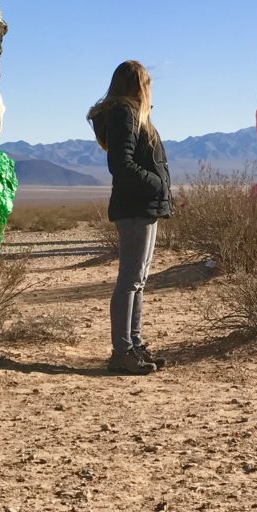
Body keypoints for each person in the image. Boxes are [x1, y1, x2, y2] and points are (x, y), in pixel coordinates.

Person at [87, 60, 172, 376]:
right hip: (135, 206)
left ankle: (133, 345)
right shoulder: (125, 114)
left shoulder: (134, 115)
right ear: (137, 85)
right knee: (130, 280)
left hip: (143, 206)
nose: (150, 90)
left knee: (139, 279)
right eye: (147, 83)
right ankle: (121, 352)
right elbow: (120, 164)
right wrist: (156, 183)